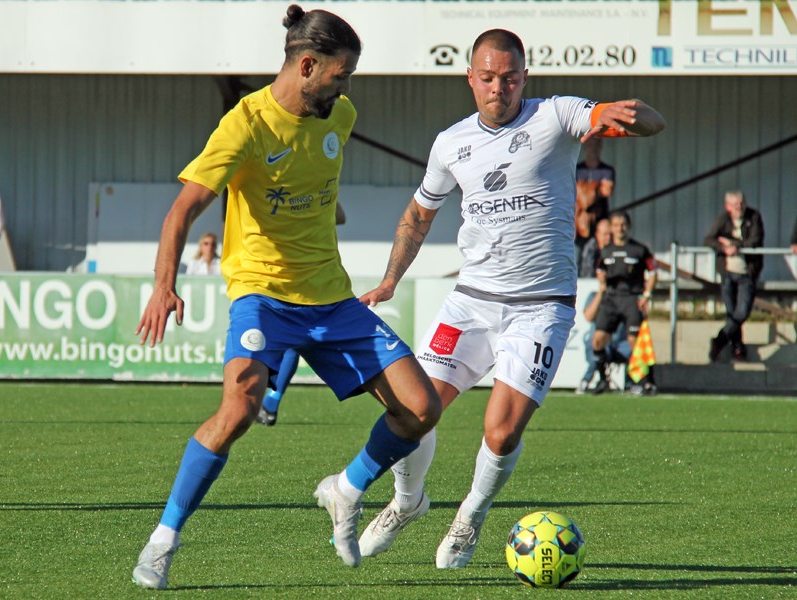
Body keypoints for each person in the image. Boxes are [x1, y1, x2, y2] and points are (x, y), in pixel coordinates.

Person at [130, 5, 441, 590]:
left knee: (421, 408)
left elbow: (311, 179)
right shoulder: (244, 126)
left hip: (332, 300)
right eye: (341, 75)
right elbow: (182, 211)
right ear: (307, 66)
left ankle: (346, 489)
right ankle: (163, 539)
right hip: (264, 296)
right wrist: (164, 285)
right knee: (239, 408)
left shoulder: (339, 115)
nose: (346, 89)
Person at [357, 29, 665, 568]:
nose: (499, 87)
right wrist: (389, 281)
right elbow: (419, 215)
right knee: (412, 409)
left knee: (500, 432)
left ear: (525, 77)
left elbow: (648, 123)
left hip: (540, 306)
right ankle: (406, 502)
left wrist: (632, 115)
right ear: (470, 79)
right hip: (471, 301)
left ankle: (469, 516)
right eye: (488, 78)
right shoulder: (451, 143)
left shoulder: (556, 115)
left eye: (510, 78)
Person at [255, 203, 347, 426]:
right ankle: (270, 400)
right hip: (303, 274)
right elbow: (340, 216)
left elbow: (340, 216)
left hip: (296, 275)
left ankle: (268, 401)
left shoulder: (297, 195)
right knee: (290, 342)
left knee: (291, 342)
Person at [591, 210, 658, 395]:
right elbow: (599, 270)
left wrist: (647, 294)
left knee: (635, 341)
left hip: (632, 298)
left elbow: (653, 272)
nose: (620, 228)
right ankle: (603, 380)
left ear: (628, 226)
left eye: (623, 224)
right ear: (611, 228)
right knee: (597, 340)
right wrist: (601, 280)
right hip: (611, 299)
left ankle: (647, 382)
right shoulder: (605, 251)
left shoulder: (639, 250)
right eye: (616, 225)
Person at [704, 191, 764, 361]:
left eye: (741, 203)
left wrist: (734, 244)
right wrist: (723, 248)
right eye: (736, 204)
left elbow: (756, 240)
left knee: (742, 312)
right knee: (732, 314)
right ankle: (738, 348)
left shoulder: (753, 217)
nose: (740, 207)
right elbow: (708, 239)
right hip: (728, 273)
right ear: (728, 206)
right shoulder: (723, 219)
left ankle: (719, 341)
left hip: (747, 273)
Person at [576, 280, 631, 394]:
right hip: (601, 342)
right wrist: (601, 293)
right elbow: (589, 316)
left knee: (635, 350)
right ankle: (587, 380)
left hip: (619, 343)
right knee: (595, 346)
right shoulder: (594, 295)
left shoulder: (625, 298)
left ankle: (631, 384)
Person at [575, 137, 615, 270]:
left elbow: (606, 191)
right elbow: (573, 193)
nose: (592, 149)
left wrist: (583, 188)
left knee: (598, 256)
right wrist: (596, 186)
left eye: (596, 145)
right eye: (589, 145)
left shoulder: (607, 170)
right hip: (579, 222)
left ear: (600, 147)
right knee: (576, 254)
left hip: (599, 220)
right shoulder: (577, 169)